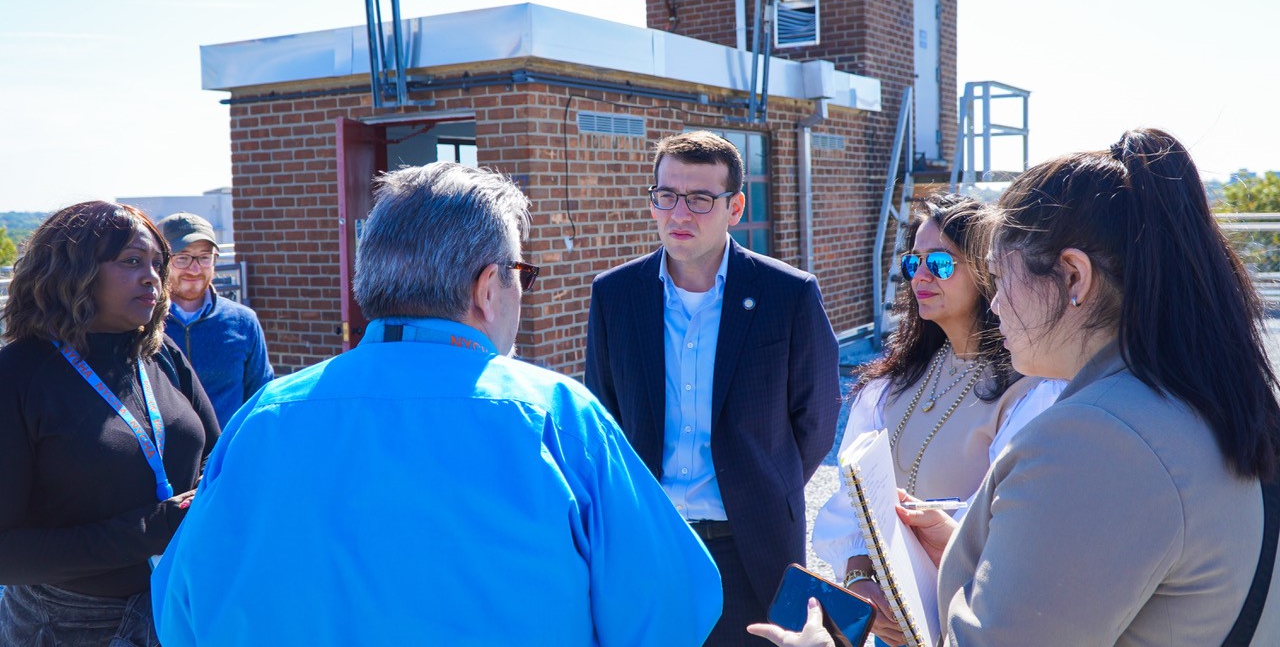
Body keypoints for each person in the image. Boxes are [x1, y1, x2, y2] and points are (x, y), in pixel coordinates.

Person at [151, 162, 723, 646]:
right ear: (486, 286)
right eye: (520, 274)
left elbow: (179, 612)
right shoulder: (557, 417)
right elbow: (674, 612)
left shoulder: (266, 417)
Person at [761, 128, 1280, 646]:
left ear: (1074, 277)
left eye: (1000, 276)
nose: (995, 303)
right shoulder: (1194, 399)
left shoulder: (1091, 439)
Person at [585, 130, 841, 646]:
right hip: (653, 541)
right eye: (666, 196)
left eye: (701, 199)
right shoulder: (614, 295)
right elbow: (605, 416)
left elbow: (815, 420)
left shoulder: (788, 294)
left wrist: (764, 482)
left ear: (735, 207)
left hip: (752, 547)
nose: (680, 214)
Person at [810, 193, 1063, 641]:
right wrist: (859, 583)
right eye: (914, 262)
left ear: (989, 272)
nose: (921, 276)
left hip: (977, 622)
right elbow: (850, 503)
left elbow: (1010, 523)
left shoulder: (1032, 390)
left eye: (942, 264)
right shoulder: (891, 381)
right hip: (895, 625)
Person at [0, 201, 220, 646]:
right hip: (67, 625)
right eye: (131, 261)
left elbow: (217, 460)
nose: (153, 277)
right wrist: (150, 530)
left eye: (157, 263)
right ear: (72, 270)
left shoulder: (161, 356)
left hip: (179, 604)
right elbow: (7, 554)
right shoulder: (18, 375)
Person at [158, 212, 273, 427]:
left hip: (225, 455)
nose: (194, 269)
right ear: (162, 261)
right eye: (182, 257)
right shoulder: (142, 323)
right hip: (162, 457)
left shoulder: (243, 322)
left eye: (204, 257)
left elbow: (261, 399)